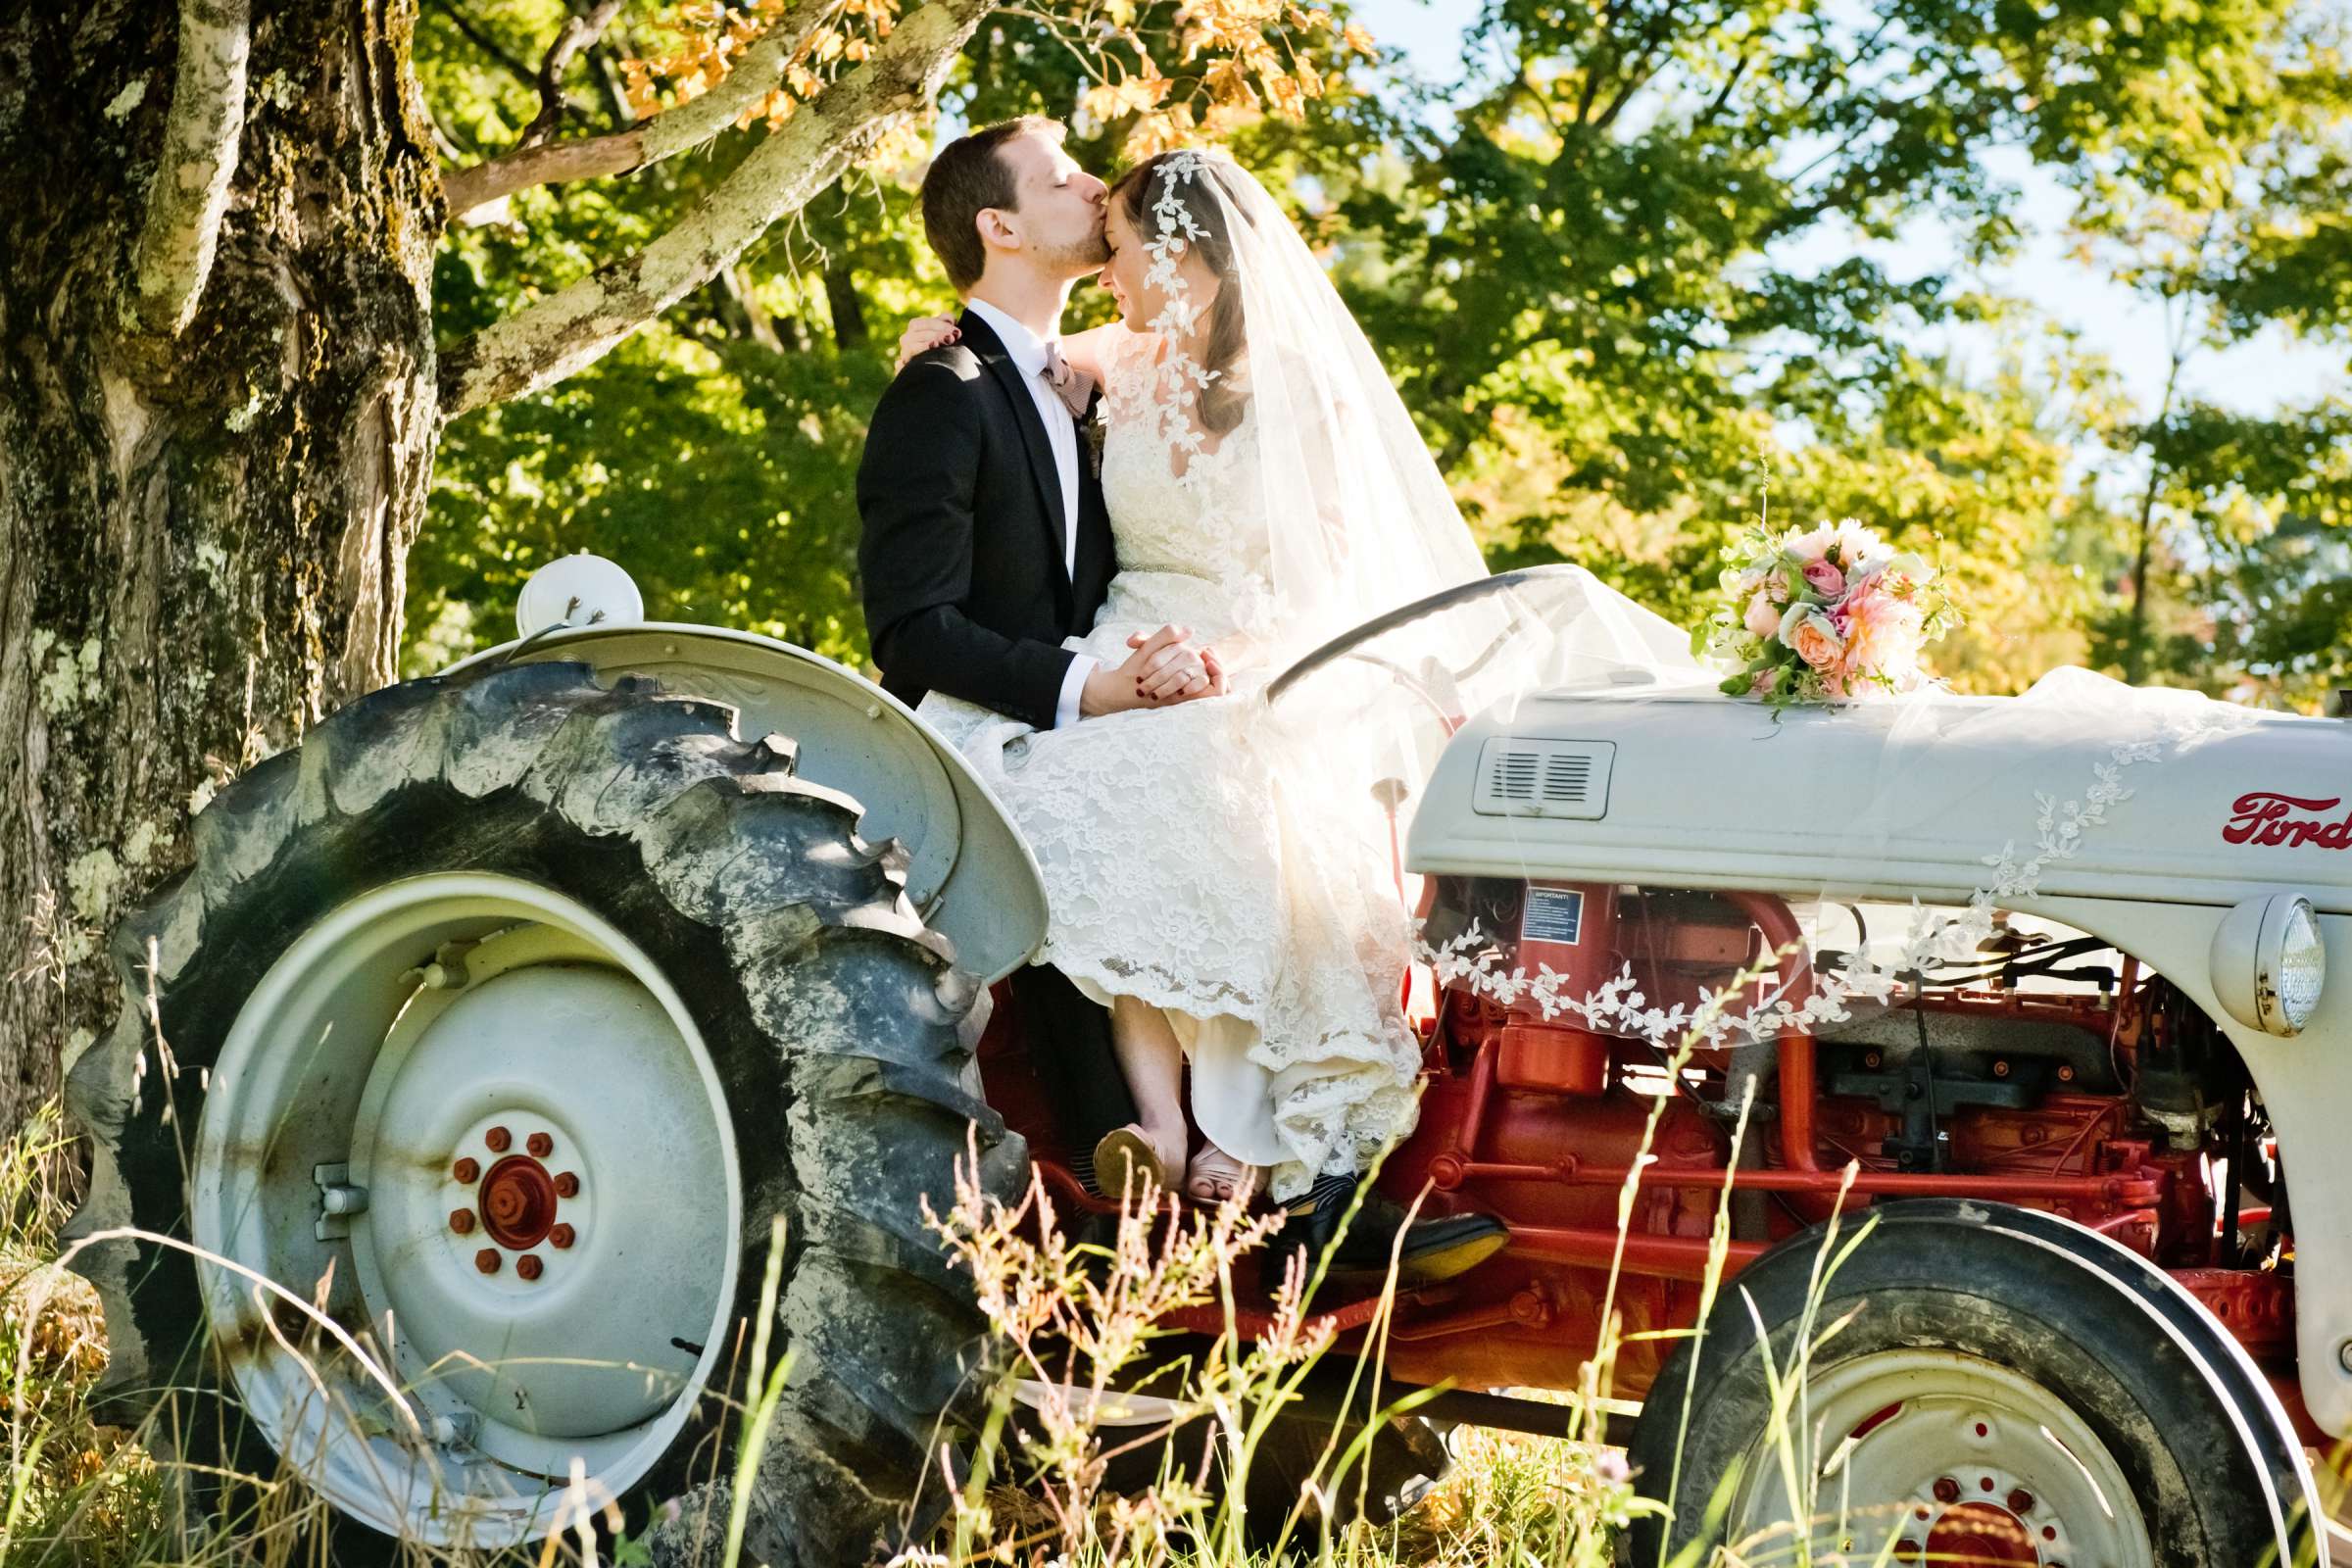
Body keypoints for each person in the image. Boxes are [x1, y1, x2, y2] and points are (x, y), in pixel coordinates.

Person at [860, 123, 1505, 1287]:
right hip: (1115, 663)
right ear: (1002, 225)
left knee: (1233, 794)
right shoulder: (1067, 368)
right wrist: (934, 343)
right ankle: (1166, 1129)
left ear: (1182, 254)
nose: (1103, 237)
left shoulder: (1245, 384)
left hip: (1254, 654)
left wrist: (1221, 658)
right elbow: (924, 601)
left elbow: (1327, 572)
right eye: (1074, 197)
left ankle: (1272, 1152)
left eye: (1119, 239)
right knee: (1111, 797)